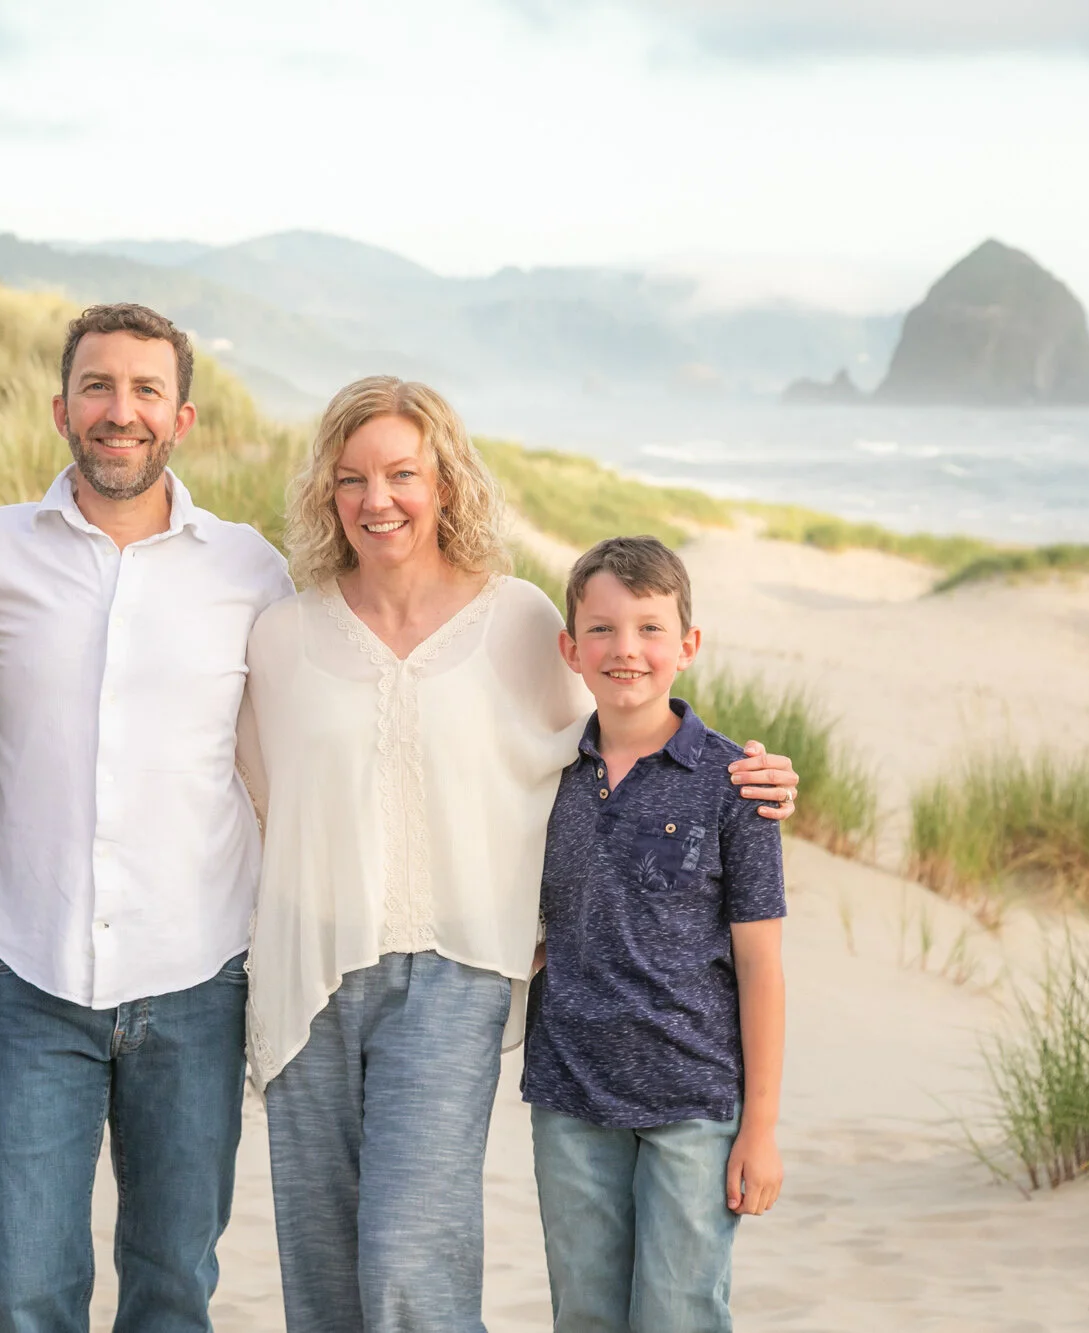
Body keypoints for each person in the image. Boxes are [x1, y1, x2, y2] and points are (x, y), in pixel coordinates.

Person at [239, 376, 799, 1332]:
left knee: (412, 1259)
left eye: (404, 473)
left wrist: (747, 775)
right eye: (353, 478)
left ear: (446, 482)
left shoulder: (520, 622)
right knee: (323, 1269)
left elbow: (623, 733)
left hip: (455, 975)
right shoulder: (283, 635)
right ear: (327, 495)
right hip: (312, 973)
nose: (380, 499)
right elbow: (256, 791)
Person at [0, 303, 292, 1333]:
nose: (120, 411)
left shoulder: (249, 570)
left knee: (171, 1285)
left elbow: (298, 754)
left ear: (181, 418)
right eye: (98, 387)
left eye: (146, 390)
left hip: (194, 979)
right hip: (31, 972)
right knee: (20, 1295)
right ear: (62, 407)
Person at [524, 536, 786, 1333]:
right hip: (569, 1097)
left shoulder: (734, 783)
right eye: (600, 629)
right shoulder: (544, 774)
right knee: (587, 1315)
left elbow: (761, 965)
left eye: (648, 628)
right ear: (570, 649)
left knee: (678, 1314)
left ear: (688, 646)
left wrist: (762, 1130)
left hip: (693, 1103)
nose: (625, 649)